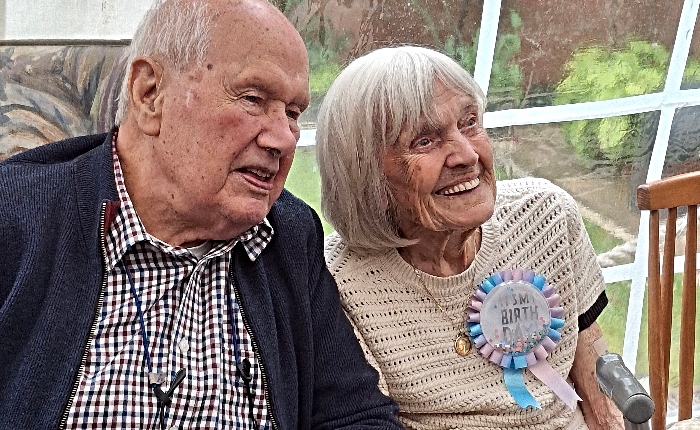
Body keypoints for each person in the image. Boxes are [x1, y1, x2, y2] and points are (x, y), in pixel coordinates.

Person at [0, 0, 403, 428]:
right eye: (253, 98)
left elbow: (354, 414)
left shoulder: (287, 235)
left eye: (292, 113)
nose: (284, 139)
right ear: (150, 93)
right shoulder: (18, 214)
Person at [316, 45, 625, 429]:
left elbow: (596, 382)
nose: (466, 154)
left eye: (469, 122)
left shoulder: (547, 216)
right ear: (363, 172)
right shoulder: (335, 282)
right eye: (424, 141)